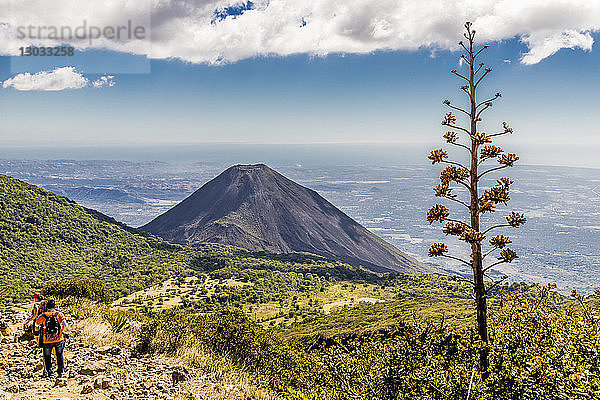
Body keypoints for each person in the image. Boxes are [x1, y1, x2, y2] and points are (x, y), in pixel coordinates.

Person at [35, 299, 68, 378]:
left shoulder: (43, 316)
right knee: (59, 355)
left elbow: (36, 325)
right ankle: (60, 372)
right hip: (59, 339)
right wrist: (61, 330)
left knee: (47, 356)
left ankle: (50, 373)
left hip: (46, 340)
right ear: (55, 306)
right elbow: (65, 324)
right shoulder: (59, 314)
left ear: (47, 307)